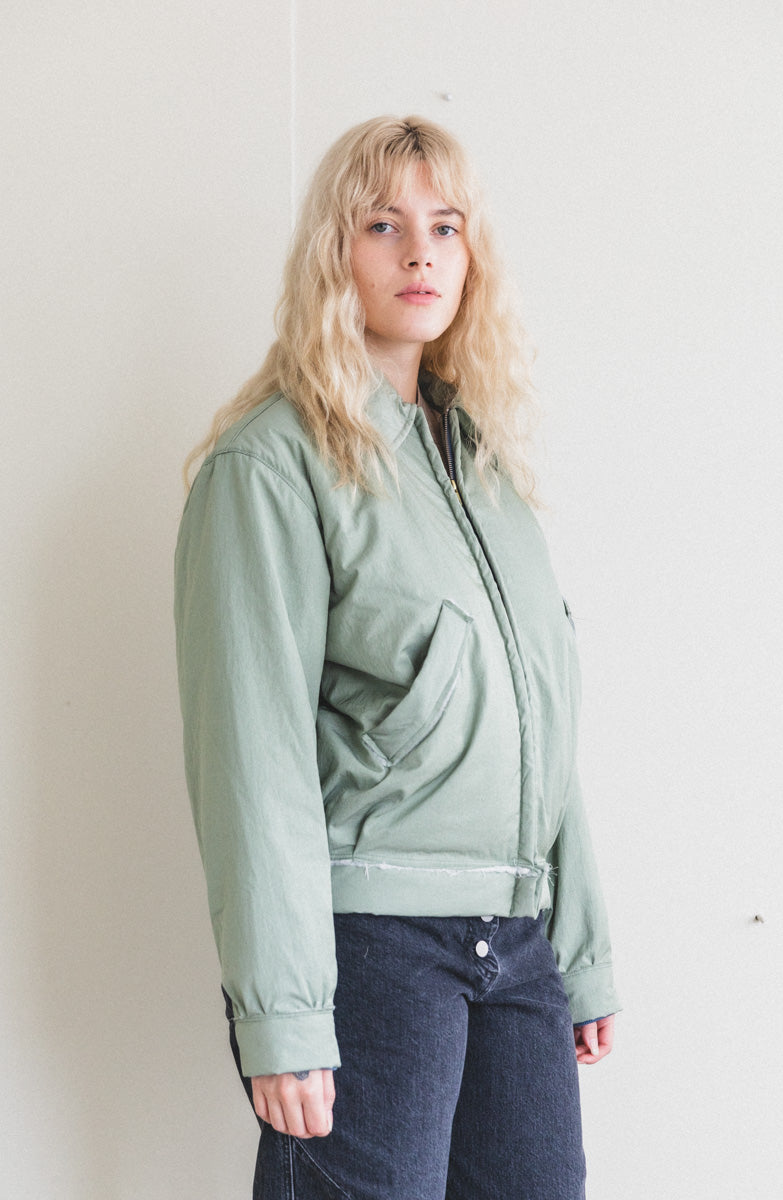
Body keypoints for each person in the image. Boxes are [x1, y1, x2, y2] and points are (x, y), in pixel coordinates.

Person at [175, 114, 620, 1200]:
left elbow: (543, 720)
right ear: (335, 252)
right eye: (382, 224)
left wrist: (580, 948)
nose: (420, 252)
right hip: (373, 946)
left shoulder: (482, 469)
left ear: (471, 257)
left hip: (515, 946)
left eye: (444, 226)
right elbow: (253, 760)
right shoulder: (272, 463)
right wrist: (281, 1014)